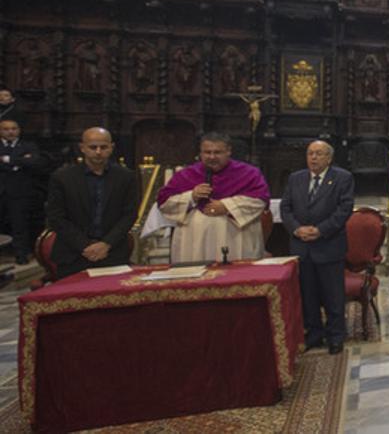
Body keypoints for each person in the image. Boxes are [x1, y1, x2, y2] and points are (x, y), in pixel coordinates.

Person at [281, 141, 355, 354]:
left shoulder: (342, 178)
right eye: (310, 153)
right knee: (307, 293)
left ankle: (335, 336)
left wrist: (320, 230)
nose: (313, 158)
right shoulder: (296, 178)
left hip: (328, 245)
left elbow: (344, 209)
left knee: (333, 295)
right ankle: (313, 334)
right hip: (301, 246)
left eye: (319, 154)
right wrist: (296, 229)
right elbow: (286, 208)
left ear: (329, 158)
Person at [157, 132, 271, 263]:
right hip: (194, 242)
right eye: (207, 152)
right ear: (200, 153)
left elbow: (260, 200)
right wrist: (191, 197)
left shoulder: (248, 173)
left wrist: (227, 206)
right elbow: (164, 202)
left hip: (235, 238)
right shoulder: (186, 175)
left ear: (228, 151)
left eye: (217, 152)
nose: (212, 157)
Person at [45, 127, 139, 277]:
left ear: (112, 148)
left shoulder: (126, 177)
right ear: (82, 148)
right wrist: (85, 246)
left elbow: (129, 214)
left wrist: (105, 244)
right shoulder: (62, 178)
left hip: (112, 254)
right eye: (93, 147)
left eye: (103, 147)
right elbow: (56, 217)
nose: (98, 152)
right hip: (73, 255)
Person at [0, 118, 40, 263]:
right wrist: (19, 162)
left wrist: (6, 160)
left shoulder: (28, 146)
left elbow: (33, 162)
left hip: (19, 192)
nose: (10, 132)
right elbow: (24, 162)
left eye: (13, 128)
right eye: (6, 129)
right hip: (1, 191)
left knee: (20, 225)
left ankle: (21, 255)